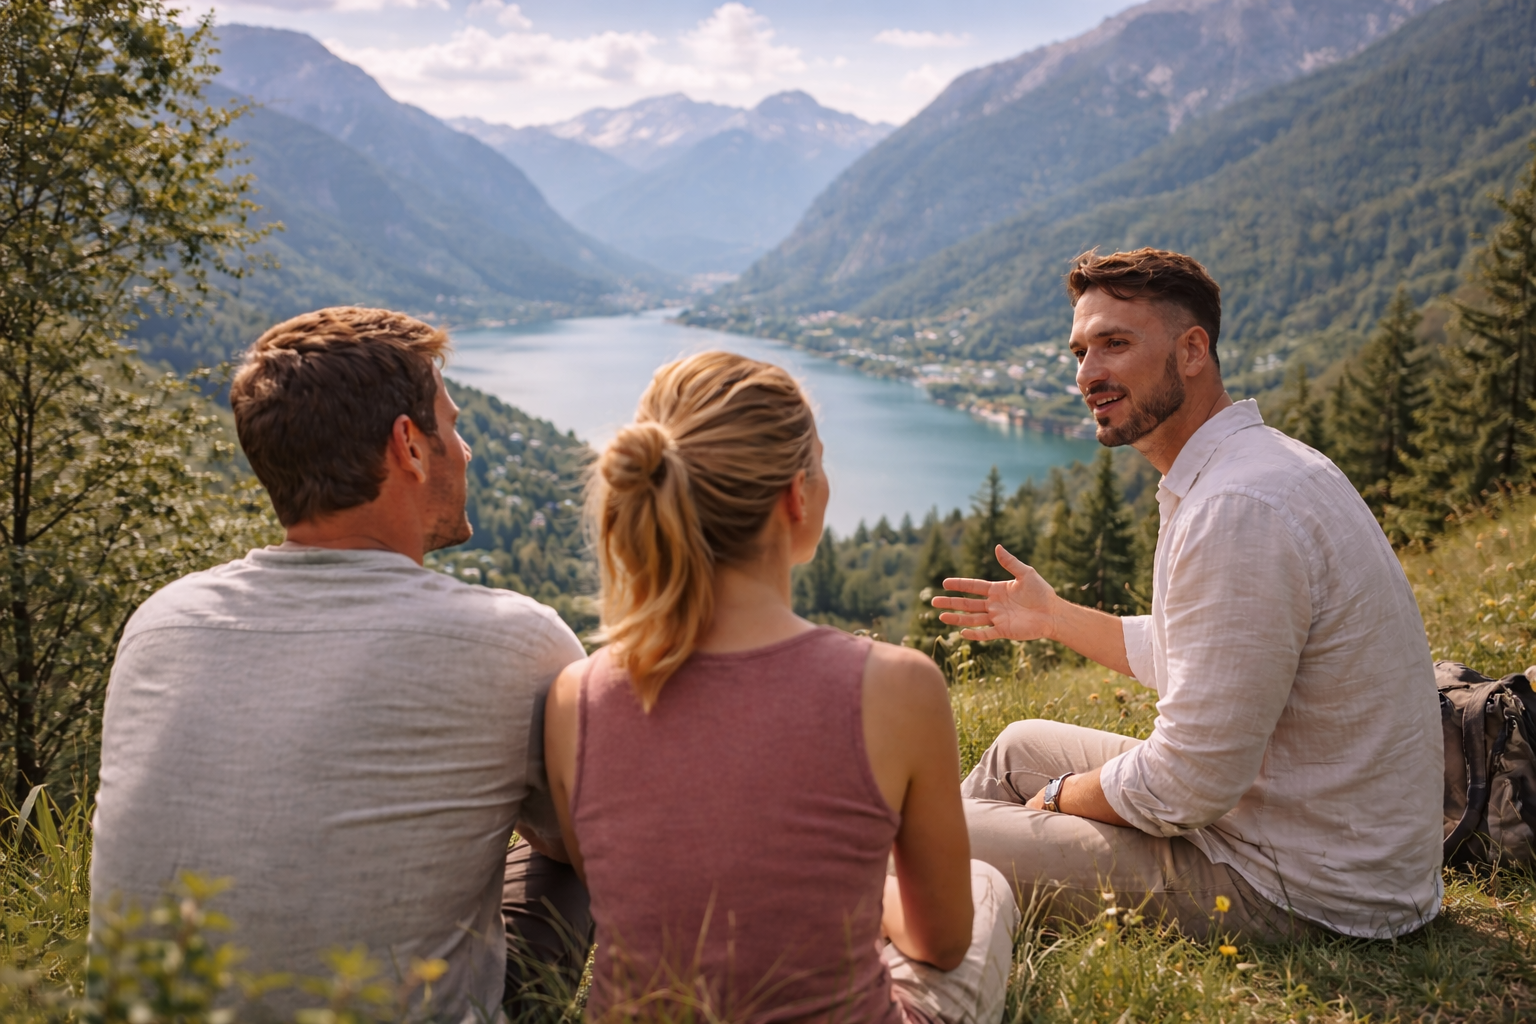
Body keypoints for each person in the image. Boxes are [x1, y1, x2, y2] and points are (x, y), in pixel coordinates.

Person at [90, 307, 590, 1023]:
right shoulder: (513, 639)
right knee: (574, 847)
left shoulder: (161, 620)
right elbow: (589, 844)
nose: (467, 449)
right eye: (452, 424)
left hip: (158, 1008)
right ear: (409, 446)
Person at [934, 249, 1443, 942]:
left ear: (1193, 349)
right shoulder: (1251, 467)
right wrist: (1051, 617)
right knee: (1017, 746)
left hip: (1301, 884)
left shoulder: (1239, 506)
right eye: (1081, 350)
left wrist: (1056, 801)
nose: (1089, 374)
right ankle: (958, 922)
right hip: (1307, 834)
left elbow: (1187, 782)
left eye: (1116, 344)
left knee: (926, 833)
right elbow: (1196, 648)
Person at [541, 351, 1020, 1024]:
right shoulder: (896, 687)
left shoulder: (574, 699)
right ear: (796, 496)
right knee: (986, 886)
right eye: (820, 463)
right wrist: (863, 899)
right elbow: (941, 943)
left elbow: (637, 898)